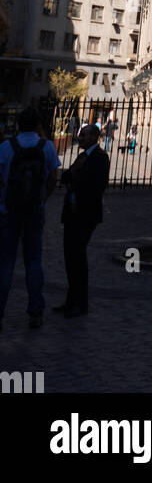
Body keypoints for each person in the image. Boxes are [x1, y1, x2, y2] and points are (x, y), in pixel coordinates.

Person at [0, 107, 60, 331]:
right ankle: (36, 312)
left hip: (9, 211)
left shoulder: (6, 147)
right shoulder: (48, 147)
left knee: (5, 263)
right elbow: (53, 178)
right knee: (34, 261)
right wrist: (43, 198)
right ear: (37, 125)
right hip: (35, 211)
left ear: (18, 124)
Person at [55, 123, 110, 318]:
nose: (81, 138)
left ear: (95, 137)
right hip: (71, 213)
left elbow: (98, 186)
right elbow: (66, 178)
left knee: (78, 257)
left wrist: (79, 196)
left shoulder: (100, 158)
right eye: (81, 135)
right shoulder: (82, 156)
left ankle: (81, 303)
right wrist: (74, 173)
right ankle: (71, 301)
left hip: (85, 214)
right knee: (70, 257)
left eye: (85, 135)